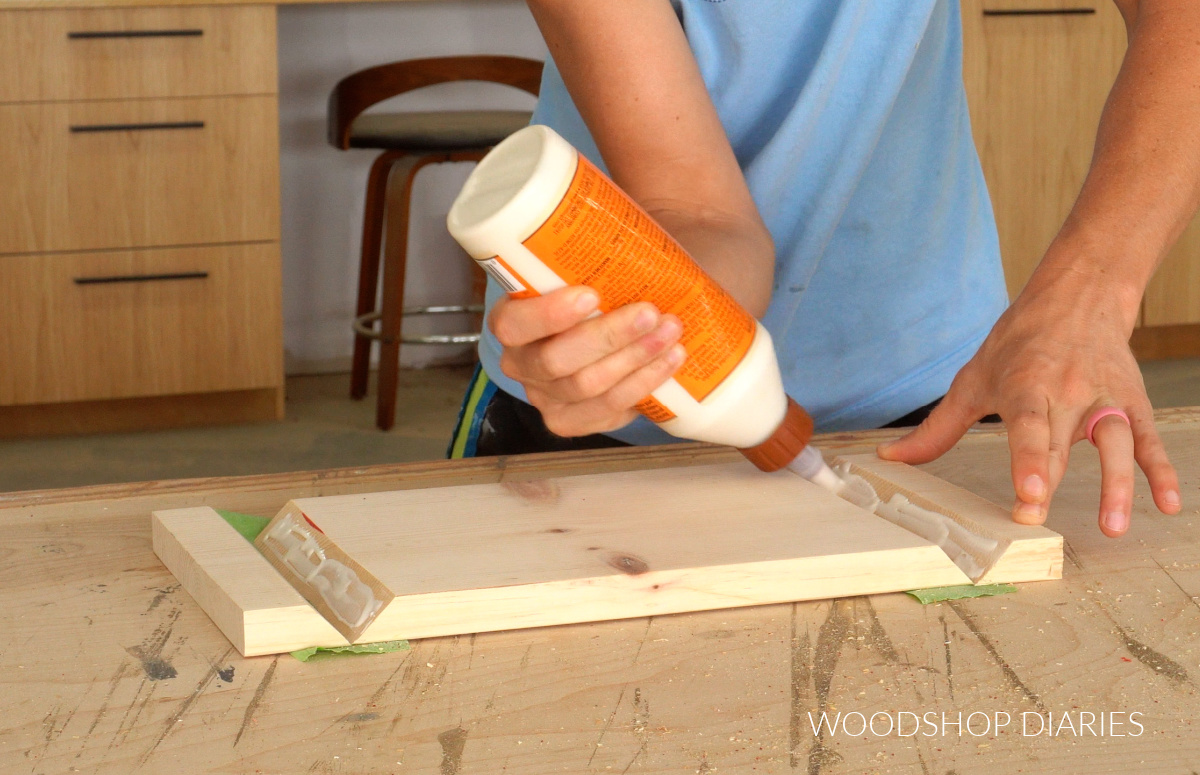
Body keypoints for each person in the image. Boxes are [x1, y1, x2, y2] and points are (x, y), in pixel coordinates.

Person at [448, 0, 1197, 538]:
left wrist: (1087, 302)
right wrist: (646, 341)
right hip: (605, 442)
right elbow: (700, 209)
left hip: (940, 396)